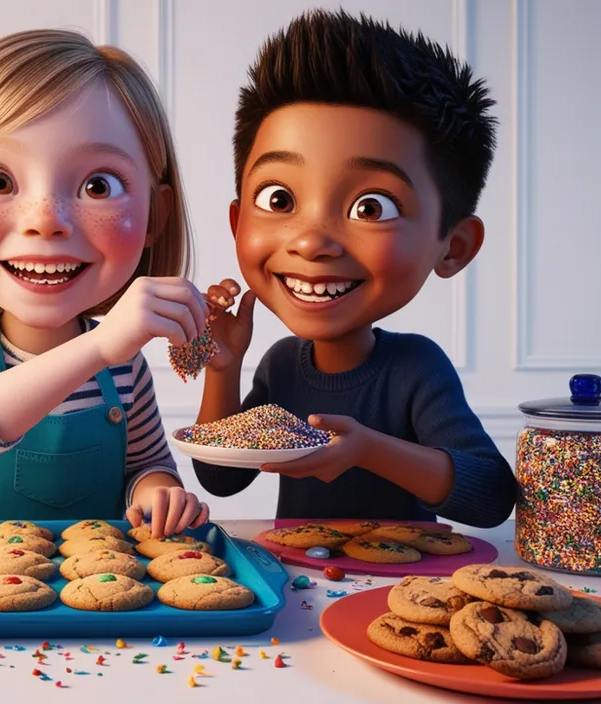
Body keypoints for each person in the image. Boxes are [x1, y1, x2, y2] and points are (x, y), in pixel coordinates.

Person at [194, 10, 517, 527]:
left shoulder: (416, 368)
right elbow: (222, 478)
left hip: (406, 593)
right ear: (237, 222)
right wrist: (223, 367)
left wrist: (368, 450)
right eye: (279, 199)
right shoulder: (280, 366)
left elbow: (490, 493)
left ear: (452, 246)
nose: (311, 241)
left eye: (372, 207)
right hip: (299, 585)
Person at [0, 29, 209, 537]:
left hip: (112, 584)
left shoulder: (125, 368)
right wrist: (98, 346)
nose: (46, 221)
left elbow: (146, 464)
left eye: (98, 186)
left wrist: (162, 495)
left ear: (155, 216)